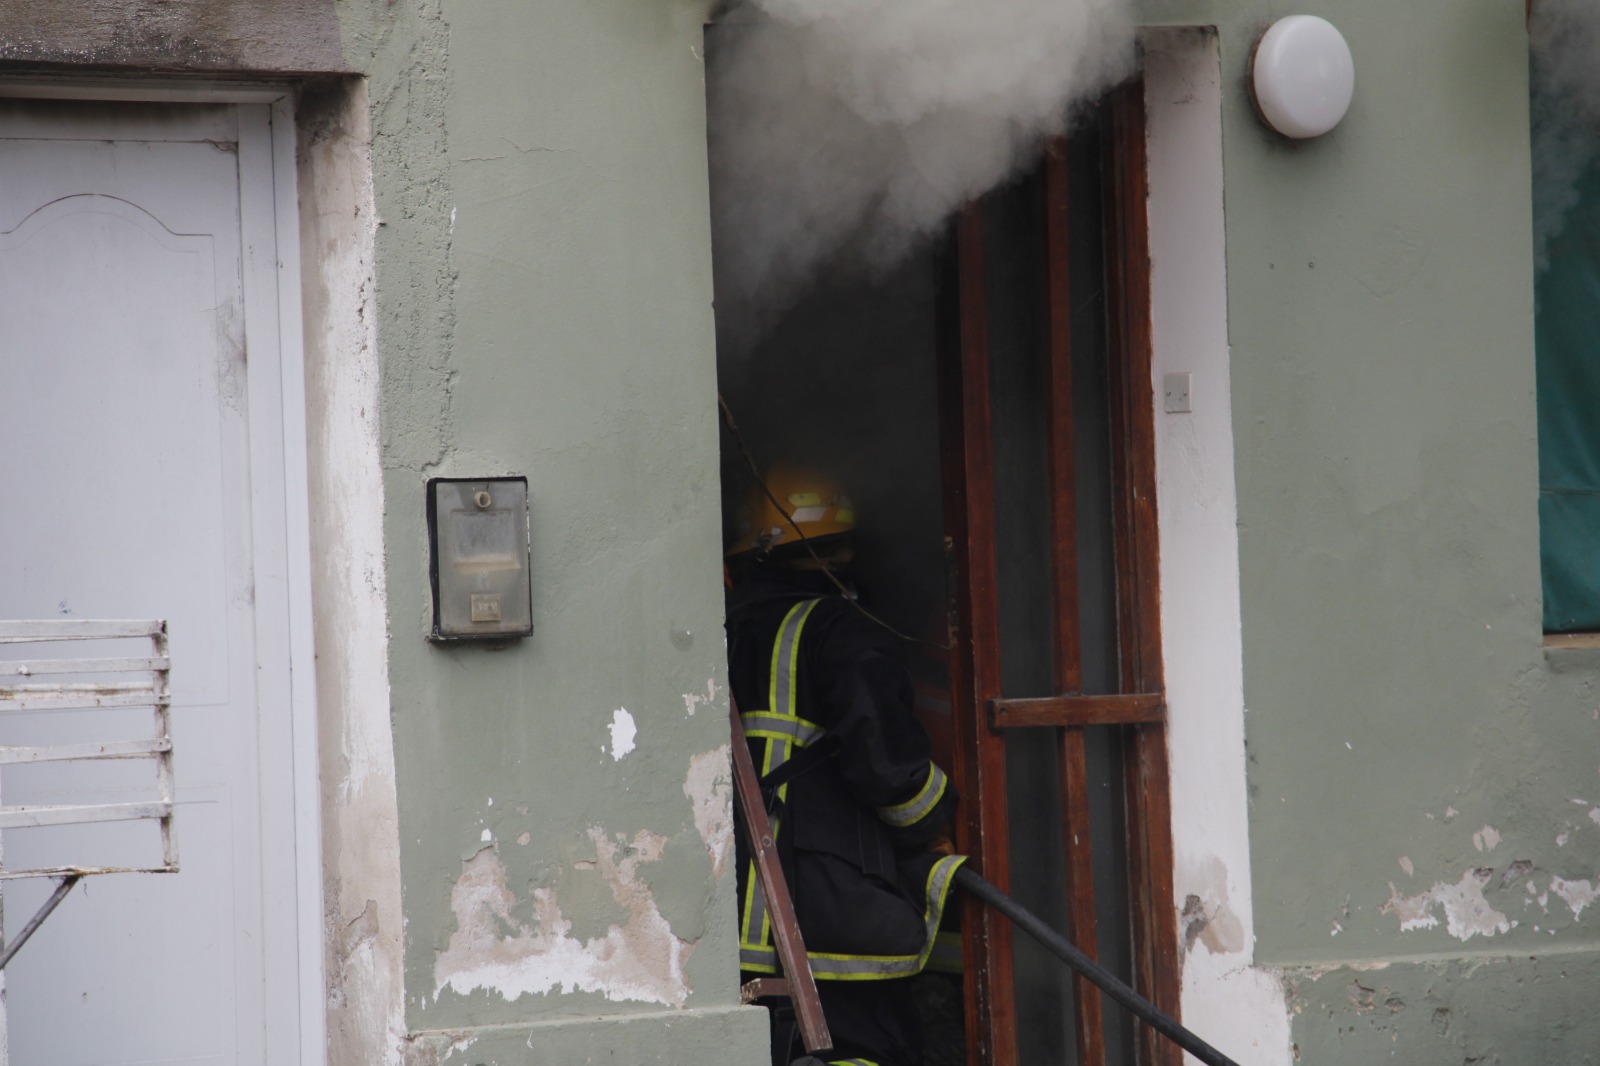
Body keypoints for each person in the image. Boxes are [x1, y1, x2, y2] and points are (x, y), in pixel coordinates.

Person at [725, 463, 965, 1066]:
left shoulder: (718, 629)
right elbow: (889, 769)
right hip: (828, 919)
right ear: (840, 553)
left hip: (726, 923)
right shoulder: (842, 632)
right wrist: (937, 822)